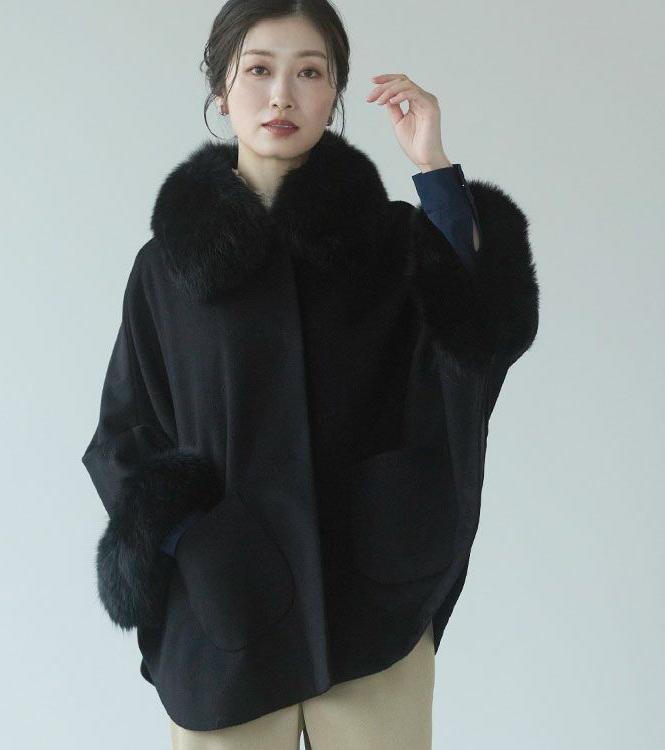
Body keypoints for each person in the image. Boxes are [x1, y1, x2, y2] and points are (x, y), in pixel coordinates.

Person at [80, 1, 540, 748]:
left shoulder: (391, 242)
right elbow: (124, 436)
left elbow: (479, 340)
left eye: (310, 73)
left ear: (336, 93)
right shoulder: (168, 269)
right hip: (223, 622)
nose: (282, 95)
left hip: (370, 607)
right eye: (259, 70)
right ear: (221, 89)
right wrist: (198, 544)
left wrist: (433, 167)